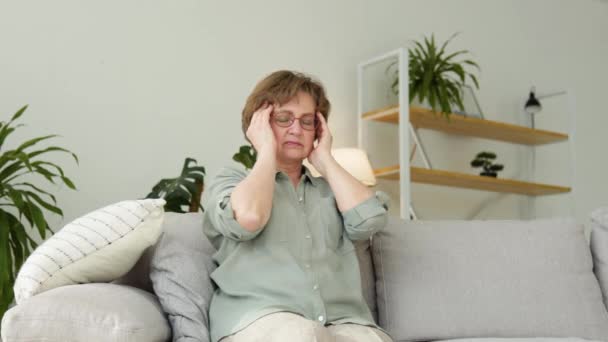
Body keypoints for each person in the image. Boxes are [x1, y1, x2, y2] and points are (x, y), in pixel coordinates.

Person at [202, 70, 393, 342]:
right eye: (283, 119)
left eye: (307, 122)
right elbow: (249, 218)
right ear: (259, 124)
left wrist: (325, 159)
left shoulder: (332, 192)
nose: (296, 129)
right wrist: (266, 150)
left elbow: (370, 221)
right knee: (302, 335)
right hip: (259, 318)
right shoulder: (232, 183)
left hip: (342, 320)